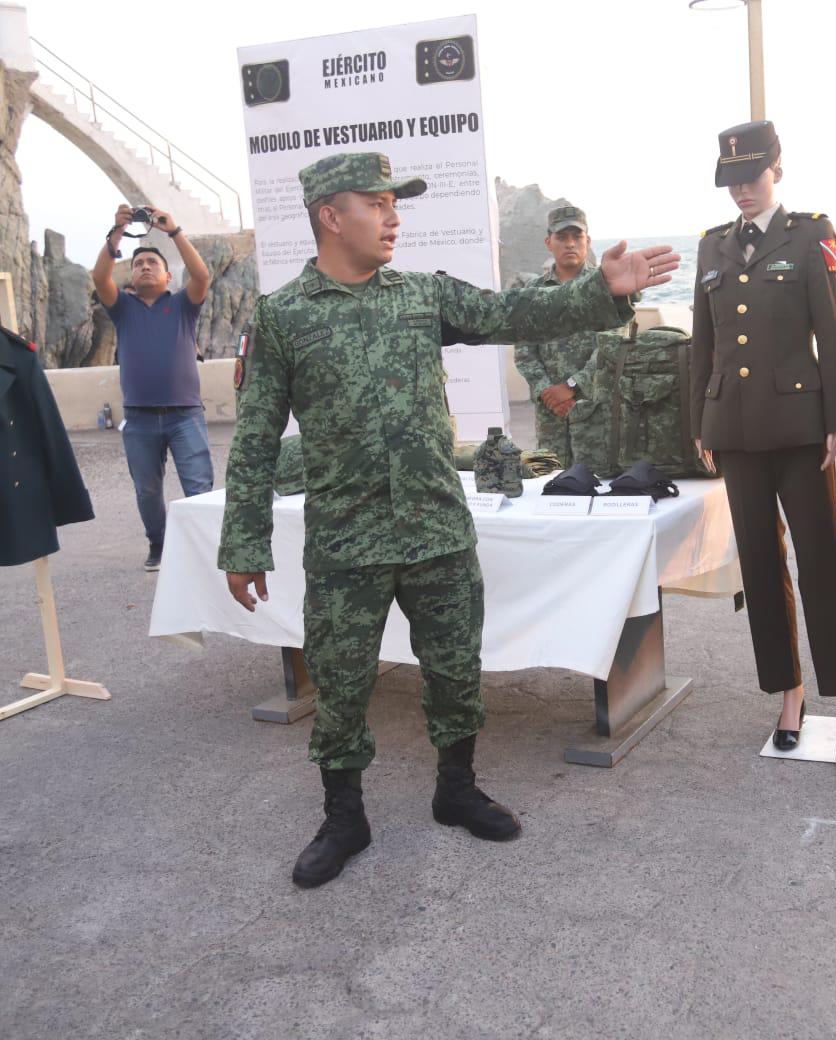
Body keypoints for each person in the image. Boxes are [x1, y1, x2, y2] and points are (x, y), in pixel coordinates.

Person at [220, 151, 677, 889]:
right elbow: (255, 438)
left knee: (457, 673)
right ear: (332, 217)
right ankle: (344, 816)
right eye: (378, 203)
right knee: (339, 687)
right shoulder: (283, 319)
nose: (394, 216)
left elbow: (511, 313)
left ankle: (455, 789)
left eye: (396, 203)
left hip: (437, 530)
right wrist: (243, 540)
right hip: (346, 543)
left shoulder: (422, 296)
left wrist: (602, 292)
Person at [688, 120, 836, 767]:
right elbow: (701, 344)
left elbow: (833, 328)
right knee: (762, 570)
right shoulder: (712, 247)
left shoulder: (809, 235)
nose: (742, 189)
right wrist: (699, 424)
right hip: (734, 433)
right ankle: (788, 695)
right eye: (732, 180)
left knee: (821, 563)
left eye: (752, 176)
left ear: (777, 170)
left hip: (798, 430)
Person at [93, 205, 214, 571]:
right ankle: (159, 545)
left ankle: (205, 549)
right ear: (131, 275)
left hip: (185, 415)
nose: (145, 266)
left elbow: (202, 274)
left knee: (199, 487)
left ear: (166, 275)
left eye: (152, 263)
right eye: (138, 263)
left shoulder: (182, 306)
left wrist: (174, 231)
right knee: (147, 491)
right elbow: (100, 278)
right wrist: (117, 231)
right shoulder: (123, 307)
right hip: (140, 419)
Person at [512, 205, 616, 468]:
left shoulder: (606, 288)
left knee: (599, 483)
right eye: (562, 237)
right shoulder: (533, 292)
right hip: (550, 415)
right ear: (549, 242)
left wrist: (571, 387)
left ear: (587, 241)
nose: (570, 243)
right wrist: (548, 391)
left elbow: (612, 347)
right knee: (552, 483)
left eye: (576, 236)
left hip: (595, 410)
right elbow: (524, 351)